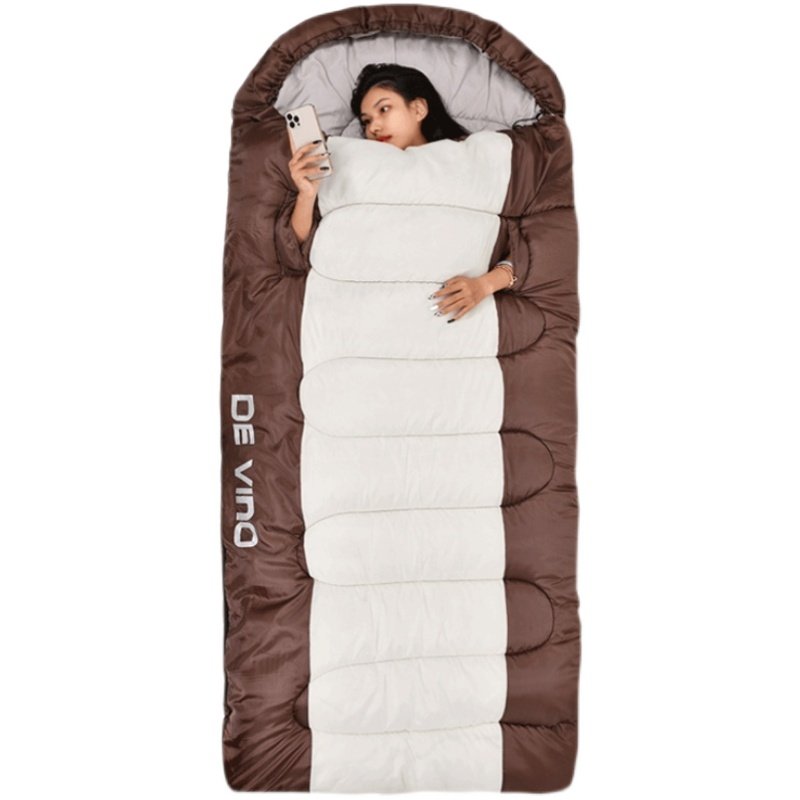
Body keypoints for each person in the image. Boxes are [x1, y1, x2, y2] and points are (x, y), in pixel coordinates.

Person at [287, 63, 518, 321]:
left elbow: (532, 240)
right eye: (366, 121)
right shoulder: (359, 171)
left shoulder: (471, 160)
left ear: (418, 109)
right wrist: (306, 195)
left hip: (455, 319)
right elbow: (298, 252)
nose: (373, 127)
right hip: (370, 317)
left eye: (384, 109)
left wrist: (484, 285)